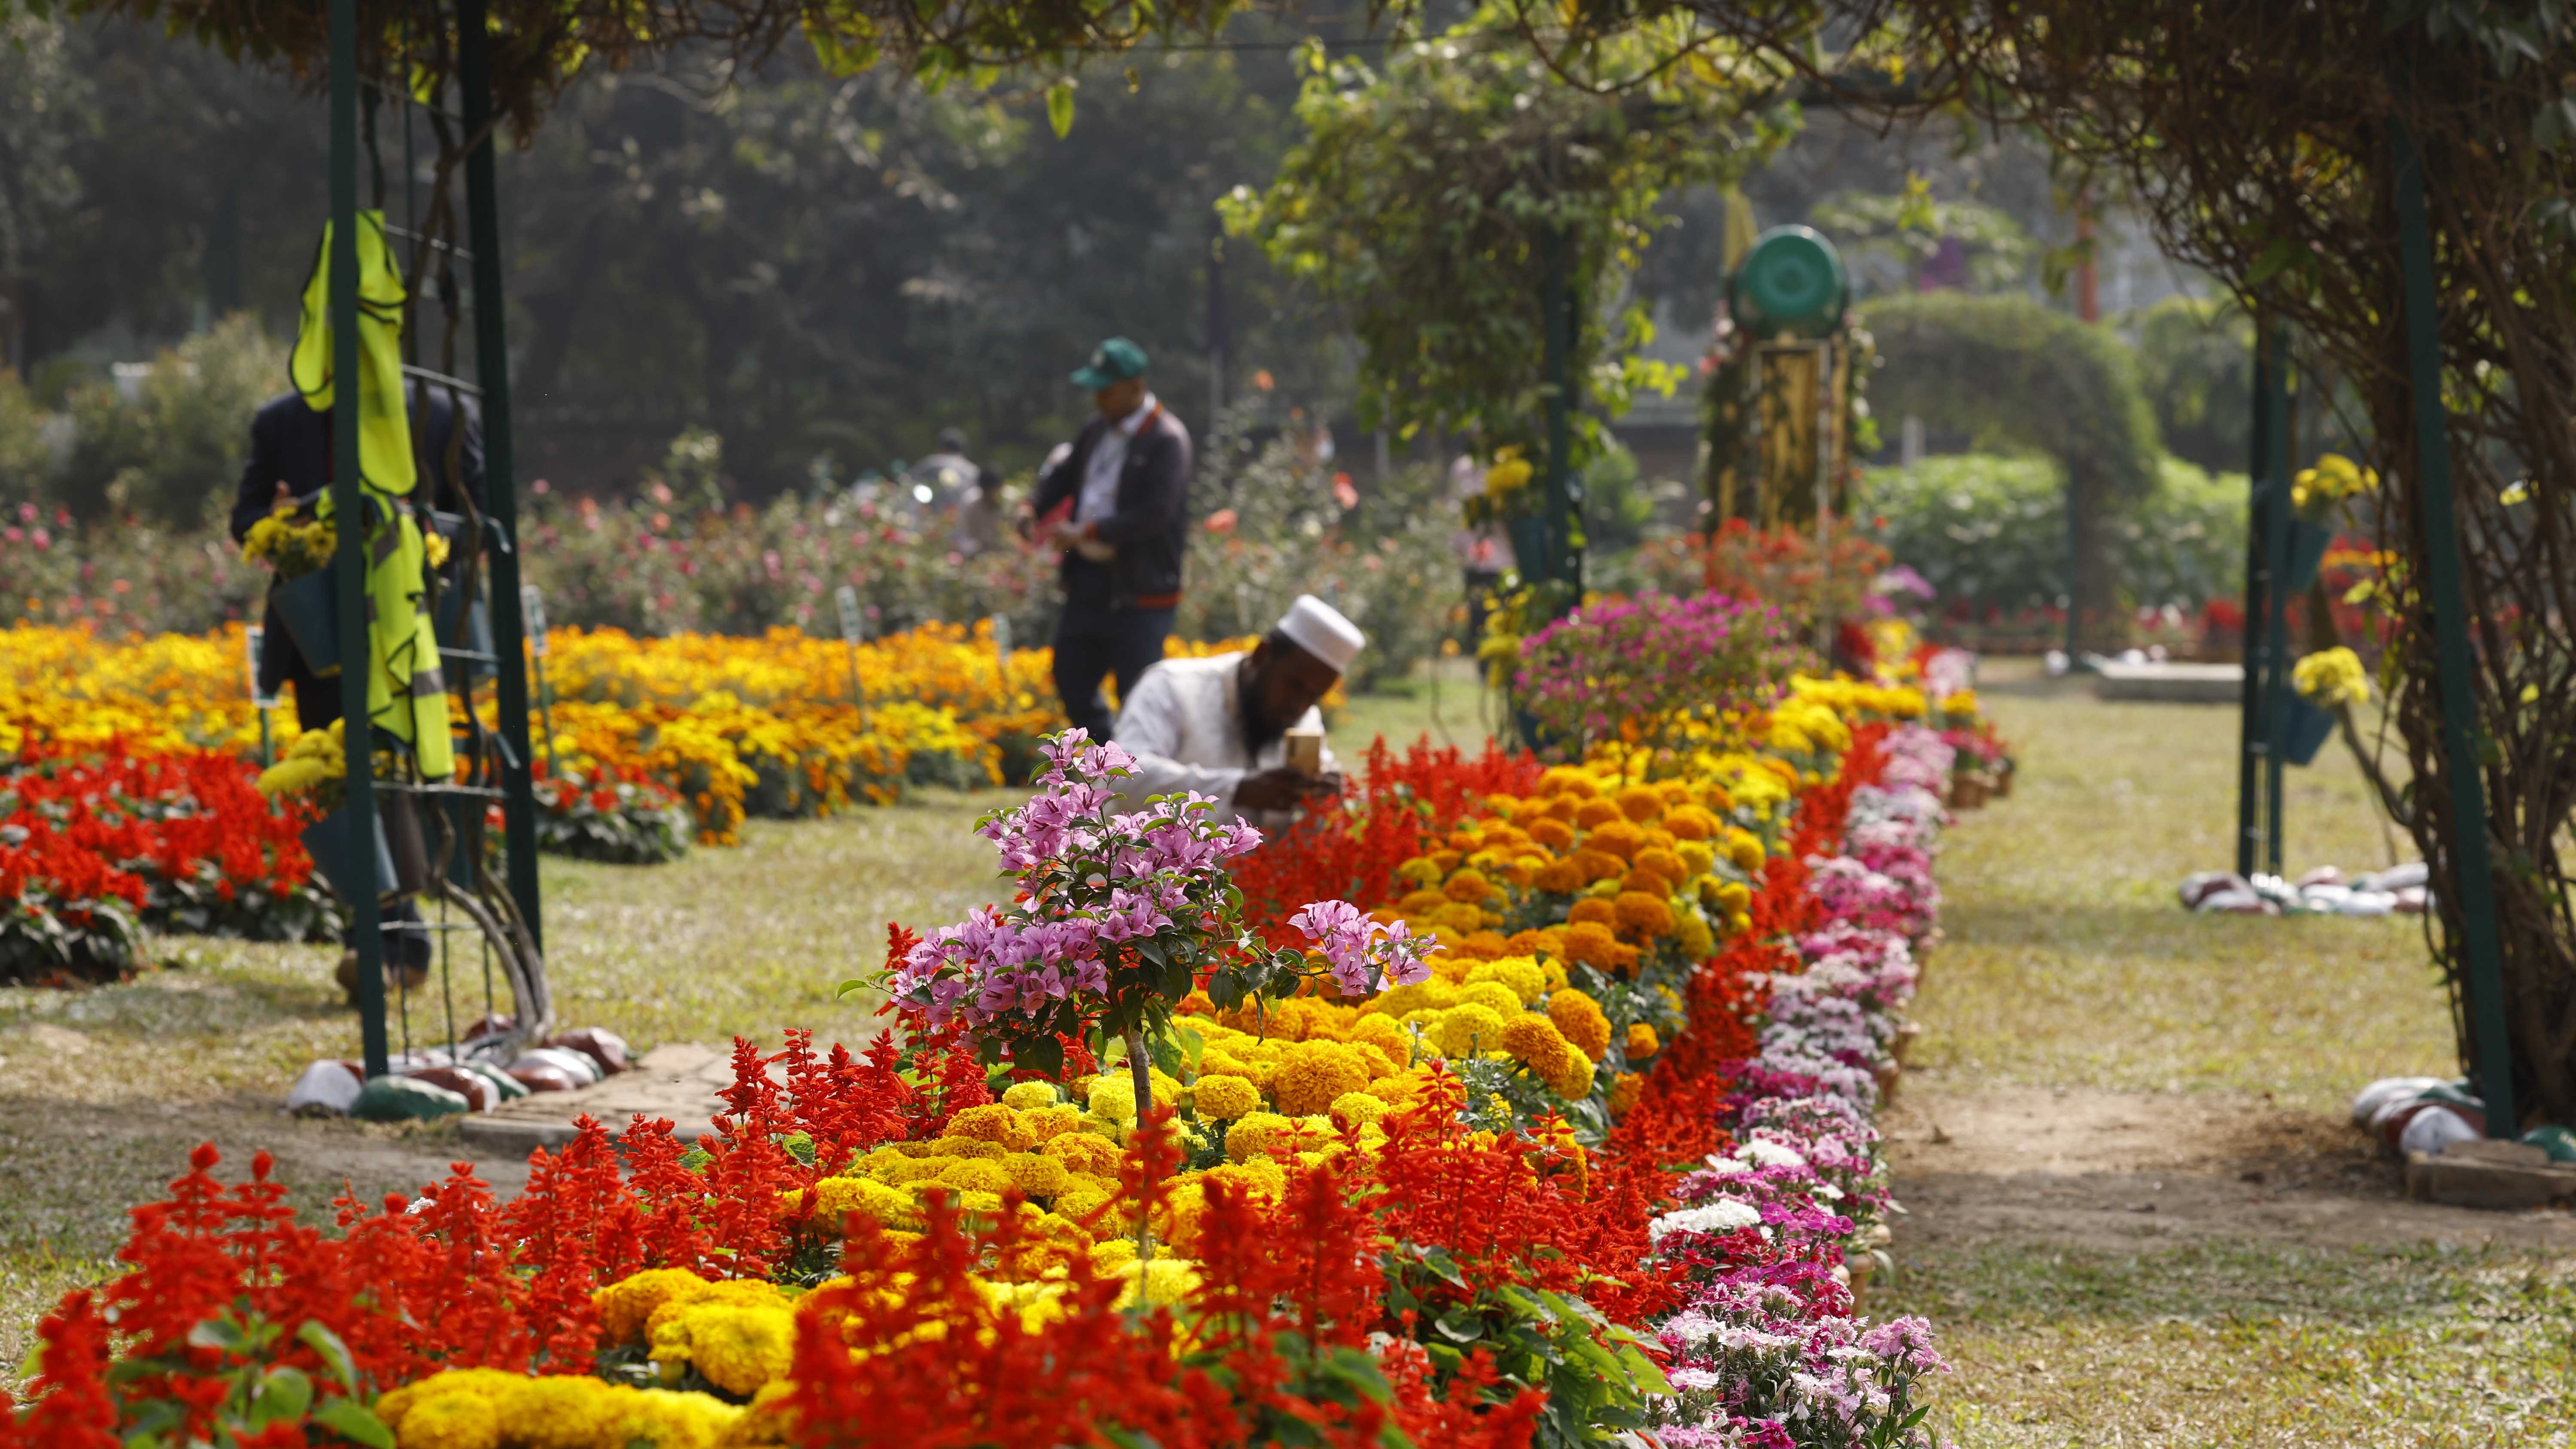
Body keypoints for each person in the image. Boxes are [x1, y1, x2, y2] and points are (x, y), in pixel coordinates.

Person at [228, 377, 480, 995]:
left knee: (399, 773)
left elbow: (479, 518)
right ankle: (383, 937)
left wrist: (416, 535)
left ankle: (396, 935)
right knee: (340, 777)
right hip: (320, 634)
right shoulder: (281, 420)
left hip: (410, 626)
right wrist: (278, 523)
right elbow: (246, 517)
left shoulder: (439, 411)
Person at [1028, 337, 1192, 741]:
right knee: (1071, 675)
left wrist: (1087, 531)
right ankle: (1109, 765)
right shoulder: (1096, 429)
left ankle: (1139, 782)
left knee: (1136, 694)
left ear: (1136, 387)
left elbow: (1154, 515)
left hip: (1141, 590)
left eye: (1107, 390)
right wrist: (1031, 507)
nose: (1099, 399)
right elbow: (1064, 476)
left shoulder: (1168, 440)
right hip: (1090, 582)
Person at [1111, 594, 1362, 831]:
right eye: (1295, 686)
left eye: (1315, 695)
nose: (1300, 705)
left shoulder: (1305, 718)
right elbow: (1125, 774)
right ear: (1262, 656)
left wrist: (1326, 796)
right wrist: (1237, 789)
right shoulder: (1173, 686)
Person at [910, 427, 1005, 555]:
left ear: (941, 448)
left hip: (929, 532)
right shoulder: (972, 470)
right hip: (963, 537)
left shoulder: (927, 466)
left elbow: (911, 495)